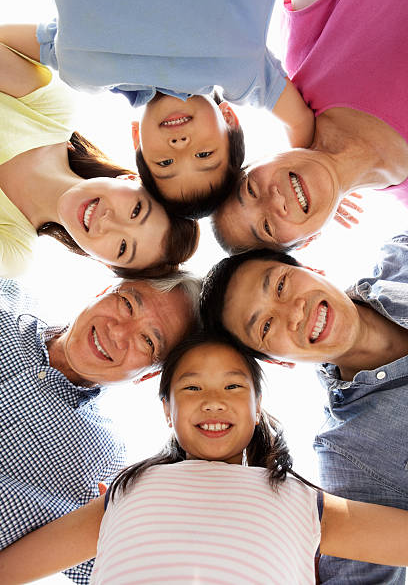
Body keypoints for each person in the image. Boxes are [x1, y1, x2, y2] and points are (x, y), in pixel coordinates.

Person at [1, 334, 408, 585]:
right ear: (167, 409)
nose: (213, 401)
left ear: (257, 406)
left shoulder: (302, 500)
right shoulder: (126, 492)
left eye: (233, 386)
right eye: (192, 387)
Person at [4, 0, 315, 218]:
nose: (181, 147)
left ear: (137, 139)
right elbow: (300, 121)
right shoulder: (240, 72)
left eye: (165, 162)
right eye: (205, 155)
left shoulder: (83, 71)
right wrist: (323, 179)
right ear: (228, 117)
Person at [200, 233, 408, 582]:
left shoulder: (401, 254)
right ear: (278, 362)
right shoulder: (349, 454)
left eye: (280, 285)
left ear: (311, 266)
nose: (295, 312)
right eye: (266, 326)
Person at [0, 271, 200, 584]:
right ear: (106, 289)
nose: (118, 332)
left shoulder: (104, 459)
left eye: (147, 340)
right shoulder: (7, 296)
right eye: (128, 305)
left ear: (146, 375)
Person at [213, 0, 408, 251]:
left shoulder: (303, 60)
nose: (275, 201)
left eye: (251, 189)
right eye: (268, 228)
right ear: (309, 240)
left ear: (262, 159)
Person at [0, 39, 198, 278]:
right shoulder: (52, 112)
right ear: (130, 179)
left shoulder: (13, 253)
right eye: (136, 211)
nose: (108, 222)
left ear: (103, 262)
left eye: (123, 248)